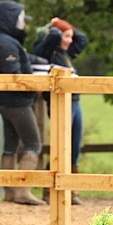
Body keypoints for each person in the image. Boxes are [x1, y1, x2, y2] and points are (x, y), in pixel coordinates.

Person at [0, 0, 45, 205]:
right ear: (10, 18)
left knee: (10, 146)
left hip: (5, 101)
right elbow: (14, 75)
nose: (24, 24)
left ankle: (10, 191)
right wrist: (35, 85)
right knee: (33, 144)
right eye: (21, 19)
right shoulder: (7, 43)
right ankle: (22, 190)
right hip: (18, 103)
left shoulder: (1, 40)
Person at [33, 17, 89, 199]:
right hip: (60, 103)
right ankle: (50, 191)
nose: (70, 41)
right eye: (66, 36)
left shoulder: (66, 53)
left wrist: (65, 24)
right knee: (60, 147)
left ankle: (71, 190)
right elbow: (47, 43)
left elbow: (83, 40)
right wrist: (55, 30)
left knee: (73, 147)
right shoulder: (49, 52)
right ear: (56, 37)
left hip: (75, 102)